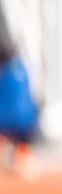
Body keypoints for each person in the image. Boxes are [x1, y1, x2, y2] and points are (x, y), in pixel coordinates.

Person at [0, 25, 39, 181]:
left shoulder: (13, 70)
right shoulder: (21, 67)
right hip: (23, 124)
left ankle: (19, 157)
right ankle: (20, 157)